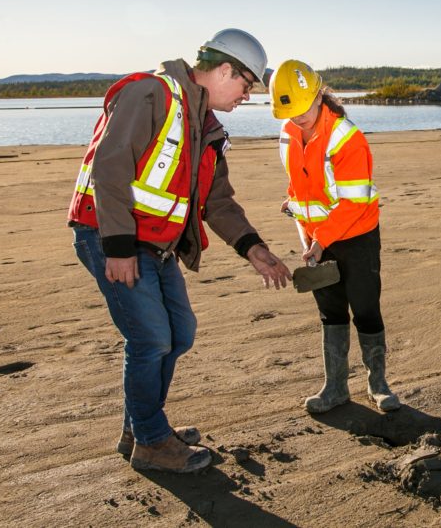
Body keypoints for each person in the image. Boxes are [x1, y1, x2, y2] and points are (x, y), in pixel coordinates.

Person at [68, 28, 293, 473]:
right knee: (150, 338)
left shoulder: (207, 127)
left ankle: (141, 426)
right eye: (246, 85)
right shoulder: (153, 93)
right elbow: (109, 167)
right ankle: (151, 441)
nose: (247, 96)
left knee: (180, 333)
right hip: (112, 238)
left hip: (157, 248)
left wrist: (254, 249)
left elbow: (218, 202)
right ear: (225, 69)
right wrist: (117, 248)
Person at [267, 60, 400, 414]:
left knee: (366, 309)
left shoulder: (346, 137)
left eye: (301, 109)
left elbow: (355, 202)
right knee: (330, 313)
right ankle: (336, 387)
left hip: (356, 237)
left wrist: (320, 240)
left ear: (318, 95)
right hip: (316, 239)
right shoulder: (288, 132)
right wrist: (294, 205)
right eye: (289, 112)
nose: (296, 118)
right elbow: (300, 182)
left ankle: (378, 385)